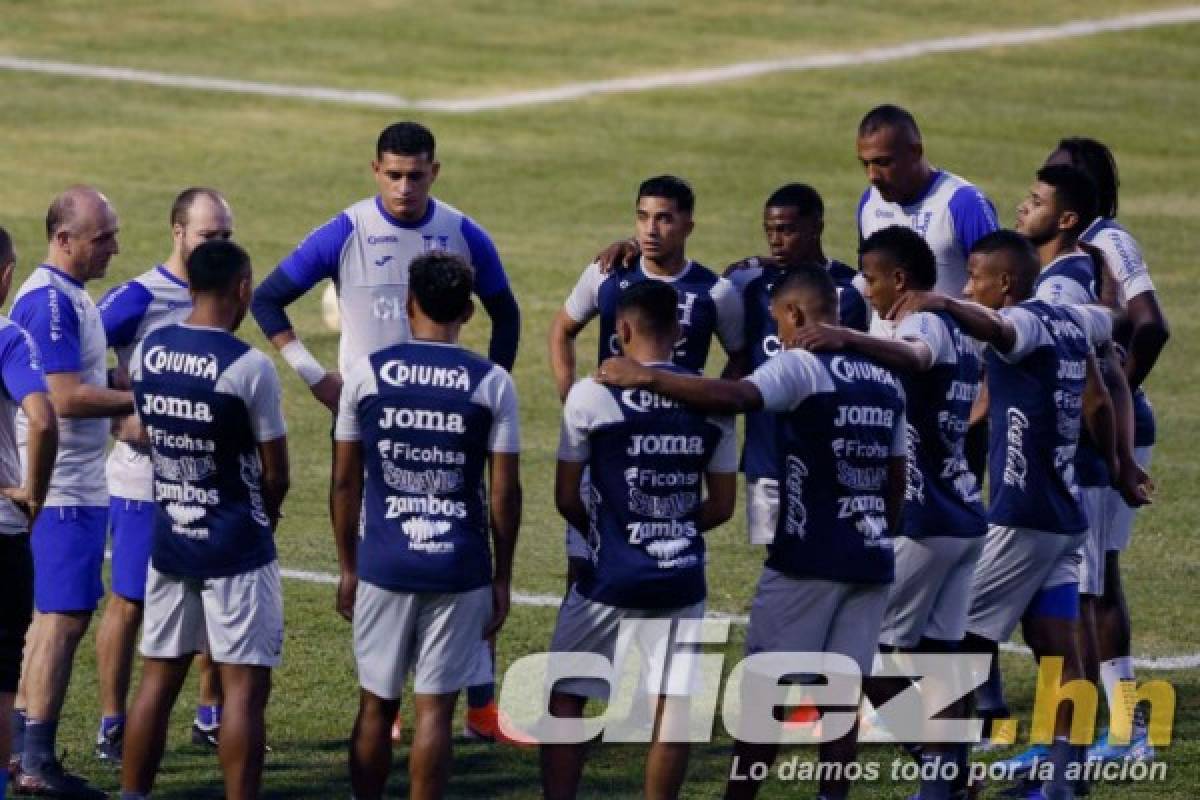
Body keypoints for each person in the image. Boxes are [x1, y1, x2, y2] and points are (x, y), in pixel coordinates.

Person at [597, 265, 908, 800]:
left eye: (778, 325)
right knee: (842, 694)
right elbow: (898, 480)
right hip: (872, 555)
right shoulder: (885, 379)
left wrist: (645, 376)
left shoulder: (802, 367)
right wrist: (876, 531)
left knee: (764, 693)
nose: (779, 338)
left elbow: (736, 396)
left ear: (793, 314)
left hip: (808, 560)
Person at [251, 121, 518, 739]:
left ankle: (480, 709)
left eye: (416, 175)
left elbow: (507, 314)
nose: (403, 187)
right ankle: (391, 709)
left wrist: (487, 392)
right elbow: (268, 298)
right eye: (393, 175)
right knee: (383, 564)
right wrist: (316, 377)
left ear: (435, 172)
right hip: (376, 429)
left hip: (450, 430)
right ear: (375, 170)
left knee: (468, 553)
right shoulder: (347, 230)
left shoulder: (461, 230)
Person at [890, 230, 1146, 800]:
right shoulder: (1075, 319)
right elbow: (1105, 371)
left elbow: (999, 328)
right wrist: (1120, 466)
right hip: (1066, 515)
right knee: (1063, 655)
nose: (968, 286)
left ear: (1005, 283)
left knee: (959, 653)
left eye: (976, 278)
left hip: (1022, 516)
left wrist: (940, 302)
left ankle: (942, 787)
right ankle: (1063, 783)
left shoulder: (1025, 321)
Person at [794, 226, 985, 799]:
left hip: (925, 519)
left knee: (860, 649)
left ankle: (933, 760)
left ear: (899, 279)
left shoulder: (922, 322)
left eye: (872, 279)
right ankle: (947, 781)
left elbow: (914, 355)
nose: (866, 289)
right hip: (964, 516)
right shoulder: (960, 327)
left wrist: (846, 339)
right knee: (943, 659)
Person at [331, 252, 521, 800]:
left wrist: (348, 567)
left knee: (376, 702)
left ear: (408, 305)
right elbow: (505, 494)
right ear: (467, 310)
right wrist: (501, 578)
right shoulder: (492, 383)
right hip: (459, 567)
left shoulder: (367, 374)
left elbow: (345, 483)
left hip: (384, 563)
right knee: (436, 708)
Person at [541, 280, 737, 800]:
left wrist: (612, 534)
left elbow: (566, 497)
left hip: (608, 576)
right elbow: (721, 506)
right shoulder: (711, 402)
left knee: (566, 696)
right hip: (680, 578)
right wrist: (671, 529)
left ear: (621, 331)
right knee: (673, 706)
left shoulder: (591, 395)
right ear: (678, 332)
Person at [119, 239, 289, 800]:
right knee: (242, 691)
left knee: (157, 680)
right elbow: (276, 471)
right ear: (243, 289)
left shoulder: (149, 352)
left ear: (189, 287)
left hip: (171, 540)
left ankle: (133, 794)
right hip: (235, 543)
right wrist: (267, 518)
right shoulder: (249, 366)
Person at [92, 188, 233, 763]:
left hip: (202, 478)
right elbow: (68, 360)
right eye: (208, 236)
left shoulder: (224, 295)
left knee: (215, 599)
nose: (218, 246)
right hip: (141, 482)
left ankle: (210, 717)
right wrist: (119, 414)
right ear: (177, 232)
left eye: (225, 236)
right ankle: (111, 722)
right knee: (129, 601)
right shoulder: (139, 298)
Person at [548, 175, 744, 582]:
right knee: (583, 570)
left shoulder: (715, 292)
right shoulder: (607, 274)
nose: (651, 230)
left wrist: (711, 399)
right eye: (643, 218)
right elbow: (562, 329)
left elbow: (741, 354)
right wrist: (571, 400)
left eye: (664, 219)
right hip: (608, 441)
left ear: (688, 225)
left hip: (672, 447)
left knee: (666, 559)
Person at [1046, 139, 1168, 766]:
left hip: (1102, 432)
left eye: (1053, 174)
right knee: (1083, 580)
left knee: (1091, 582)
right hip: (1094, 427)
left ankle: (1126, 731)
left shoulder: (1106, 240)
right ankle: (1097, 730)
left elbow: (1150, 323)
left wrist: (1118, 404)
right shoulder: (1070, 250)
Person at [10, 186, 132, 799]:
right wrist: (144, 398)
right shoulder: (51, 303)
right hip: (61, 488)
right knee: (61, 620)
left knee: (52, 620)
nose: (113, 245)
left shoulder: (68, 297)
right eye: (102, 236)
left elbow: (83, 383)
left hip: (73, 484)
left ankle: (20, 752)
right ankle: (34, 761)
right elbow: (61, 397)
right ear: (64, 240)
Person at [725, 183, 868, 546]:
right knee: (776, 561)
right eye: (770, 230)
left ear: (816, 227)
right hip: (767, 457)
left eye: (787, 230)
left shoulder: (851, 290)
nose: (776, 240)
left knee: (827, 553)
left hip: (829, 455)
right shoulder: (751, 285)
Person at [0, 226, 58, 800]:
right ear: (5, 275)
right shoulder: (8, 337)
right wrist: (29, 491)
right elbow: (41, 417)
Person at [855, 104, 999, 298]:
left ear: (915, 152)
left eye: (883, 162)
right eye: (866, 164)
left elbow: (996, 288)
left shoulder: (964, 204)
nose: (872, 175)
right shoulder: (869, 202)